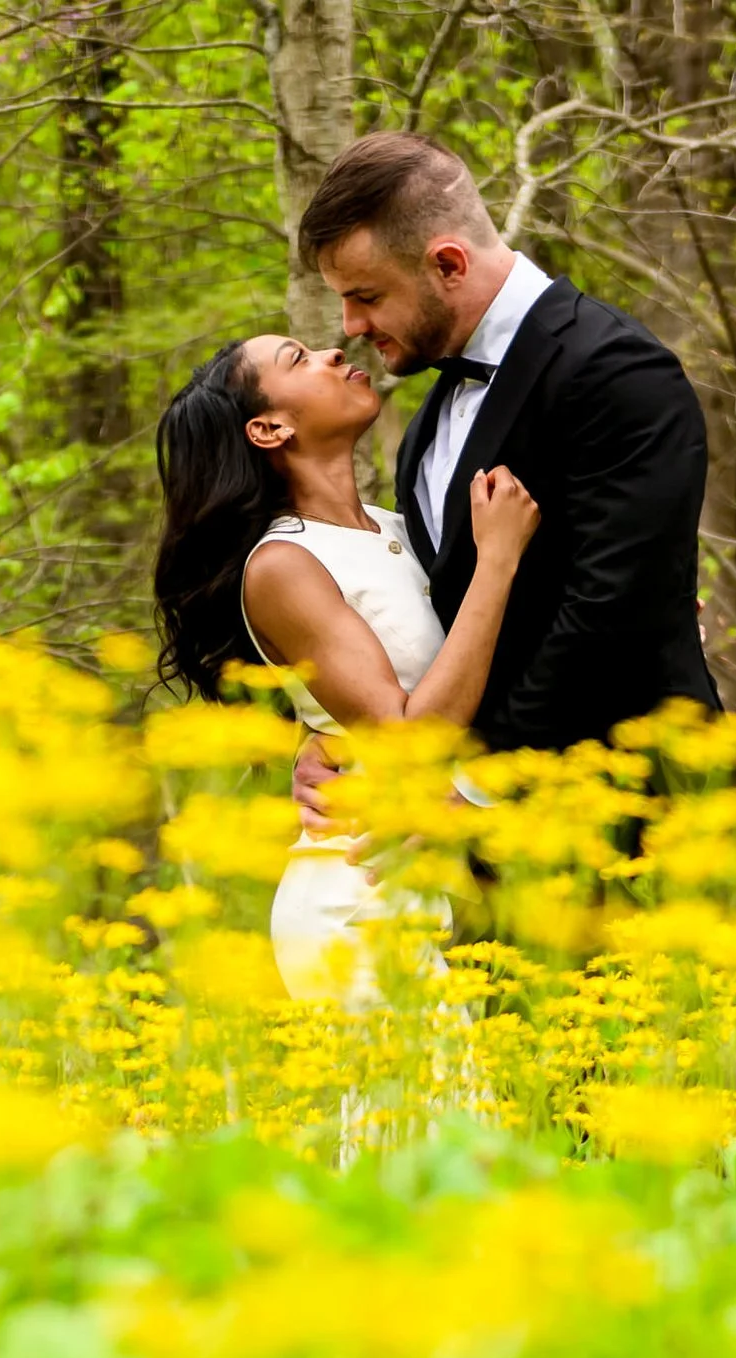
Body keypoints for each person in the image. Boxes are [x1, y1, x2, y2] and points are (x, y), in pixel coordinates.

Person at [291, 131, 720, 822]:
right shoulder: (427, 425)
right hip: (484, 849)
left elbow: (613, 619)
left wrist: (475, 788)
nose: (350, 325)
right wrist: (340, 739)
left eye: (366, 295)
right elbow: (429, 625)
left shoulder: (617, 373)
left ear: (449, 264)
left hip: (631, 823)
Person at [153, 336, 538, 1004]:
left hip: (432, 893)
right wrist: (498, 562)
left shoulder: (401, 526)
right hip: (353, 904)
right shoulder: (280, 566)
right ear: (270, 428)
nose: (334, 352)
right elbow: (408, 733)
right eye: (298, 360)